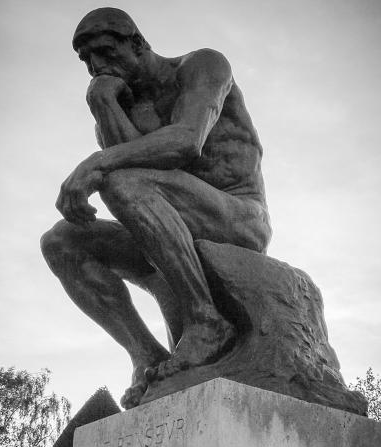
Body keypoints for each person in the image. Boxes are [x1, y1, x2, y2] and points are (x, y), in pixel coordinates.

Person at [41, 7, 272, 407]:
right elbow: (131, 169)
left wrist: (95, 163)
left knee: (119, 177)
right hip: (167, 221)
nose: (97, 65)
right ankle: (144, 354)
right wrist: (102, 104)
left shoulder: (201, 66)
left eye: (105, 51)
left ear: (137, 42)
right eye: (87, 60)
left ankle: (206, 321)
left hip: (236, 216)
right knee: (61, 241)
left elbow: (185, 142)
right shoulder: (116, 106)